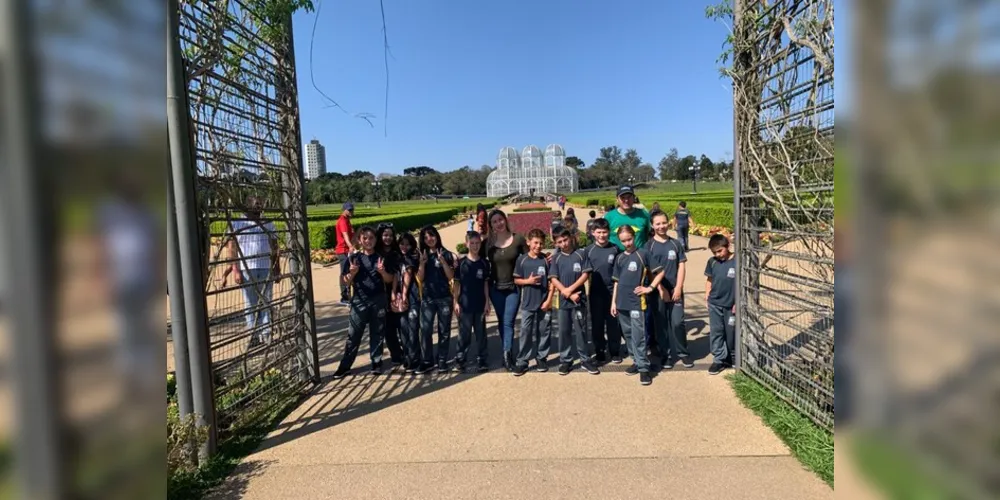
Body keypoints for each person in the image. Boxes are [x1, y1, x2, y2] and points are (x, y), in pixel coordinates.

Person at [332, 225, 395, 378]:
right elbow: (344, 282)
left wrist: (382, 272)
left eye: (371, 238)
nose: (368, 241)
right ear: (359, 240)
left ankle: (376, 362)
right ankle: (345, 365)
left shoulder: (381, 258)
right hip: (359, 301)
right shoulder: (354, 258)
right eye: (364, 238)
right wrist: (352, 274)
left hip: (378, 299)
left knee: (377, 333)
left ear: (375, 239)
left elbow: (390, 279)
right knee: (353, 335)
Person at [222, 196, 279, 348]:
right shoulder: (238, 223)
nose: (259, 210)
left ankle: (266, 334)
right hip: (247, 269)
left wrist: (276, 267)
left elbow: (275, 246)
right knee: (250, 304)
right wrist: (235, 269)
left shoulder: (268, 223)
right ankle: (253, 334)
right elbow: (232, 249)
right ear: (248, 207)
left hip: (266, 267)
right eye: (256, 207)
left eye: (260, 207)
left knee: (266, 301)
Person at [645, 210, 692, 370]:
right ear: (652, 225)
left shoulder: (675, 244)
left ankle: (683, 353)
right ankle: (665, 354)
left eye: (664, 223)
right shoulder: (649, 245)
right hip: (657, 292)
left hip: (675, 289)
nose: (661, 226)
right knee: (661, 324)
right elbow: (649, 271)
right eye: (657, 223)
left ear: (669, 223)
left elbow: (681, 265)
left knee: (678, 322)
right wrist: (660, 288)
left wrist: (678, 287)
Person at [549, 228, 599, 376]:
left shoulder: (581, 254)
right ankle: (566, 360)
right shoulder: (556, 258)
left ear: (570, 238)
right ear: (555, 243)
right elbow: (553, 278)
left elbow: (585, 274)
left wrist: (569, 289)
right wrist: (565, 292)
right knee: (564, 331)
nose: (563, 244)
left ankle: (585, 359)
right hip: (563, 302)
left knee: (581, 330)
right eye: (559, 242)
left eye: (565, 240)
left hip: (579, 300)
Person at [485, 210, 529, 371]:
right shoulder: (487, 244)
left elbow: (528, 258)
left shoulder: (518, 239)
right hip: (495, 288)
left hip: (513, 287)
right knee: (502, 321)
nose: (498, 223)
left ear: (505, 220)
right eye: (494, 221)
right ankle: (507, 351)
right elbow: (479, 262)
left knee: (508, 321)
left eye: (500, 220)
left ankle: (507, 356)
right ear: (491, 225)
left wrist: (544, 258)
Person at [611, 225, 655, 386]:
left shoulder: (643, 254)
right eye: (623, 241)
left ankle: (644, 368)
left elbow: (659, 272)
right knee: (628, 334)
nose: (627, 243)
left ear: (634, 237)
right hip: (621, 303)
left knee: (639, 335)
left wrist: (649, 288)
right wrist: (613, 302)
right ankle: (635, 361)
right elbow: (616, 281)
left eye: (629, 239)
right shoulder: (620, 258)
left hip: (636, 302)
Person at [511, 229, 553, 375]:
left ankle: (541, 357)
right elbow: (516, 279)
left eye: (541, 243)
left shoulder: (546, 260)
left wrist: (549, 300)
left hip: (544, 303)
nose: (538, 246)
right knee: (525, 332)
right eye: (535, 243)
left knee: (544, 331)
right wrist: (527, 281)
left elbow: (552, 282)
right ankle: (522, 361)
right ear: (528, 242)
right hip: (528, 304)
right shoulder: (522, 259)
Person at [417, 225, 457, 374]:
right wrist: (422, 263)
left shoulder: (445, 253)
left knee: (444, 330)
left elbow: (451, 277)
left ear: (436, 236)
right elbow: (420, 278)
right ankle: (427, 360)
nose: (429, 239)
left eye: (431, 235)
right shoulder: (422, 254)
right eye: (425, 237)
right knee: (426, 330)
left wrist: (443, 261)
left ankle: (442, 360)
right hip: (428, 298)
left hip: (444, 298)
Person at [582, 218, 621, 364]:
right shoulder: (588, 251)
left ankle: (615, 350)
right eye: (599, 232)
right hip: (595, 293)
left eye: (604, 232)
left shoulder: (615, 249)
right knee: (597, 323)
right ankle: (599, 350)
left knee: (613, 323)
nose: (602, 235)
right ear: (593, 233)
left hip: (612, 292)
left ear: (609, 232)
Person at [453, 231, 491, 372]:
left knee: (481, 334)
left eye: (477, 243)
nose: (475, 246)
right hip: (465, 305)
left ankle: (482, 359)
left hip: (480, 304)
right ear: (466, 244)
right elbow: (457, 285)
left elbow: (485, 284)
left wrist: (487, 302)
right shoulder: (461, 264)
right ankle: (460, 359)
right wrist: (455, 302)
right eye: (472, 243)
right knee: (464, 334)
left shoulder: (484, 263)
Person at [704, 234, 736, 375]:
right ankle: (719, 359)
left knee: (731, 332)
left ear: (727, 246)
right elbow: (709, 280)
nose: (718, 255)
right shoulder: (712, 262)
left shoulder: (737, 260)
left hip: (731, 305)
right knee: (717, 331)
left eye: (720, 251)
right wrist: (707, 296)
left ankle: (733, 358)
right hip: (715, 303)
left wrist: (737, 302)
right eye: (714, 252)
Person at [375, 223, 405, 367]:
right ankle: (396, 354)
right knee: (387, 328)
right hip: (379, 293)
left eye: (391, 236)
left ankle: (406, 351)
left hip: (394, 292)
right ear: (380, 236)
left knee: (400, 324)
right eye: (385, 235)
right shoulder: (376, 252)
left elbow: (396, 274)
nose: (388, 238)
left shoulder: (396, 253)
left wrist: (394, 292)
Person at [395, 232, 422, 374]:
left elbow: (408, 274)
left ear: (412, 245)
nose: (404, 246)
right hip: (403, 296)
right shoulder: (399, 257)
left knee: (412, 328)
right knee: (403, 327)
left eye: (407, 244)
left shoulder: (411, 257)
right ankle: (408, 355)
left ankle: (414, 357)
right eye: (402, 243)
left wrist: (404, 294)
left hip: (412, 296)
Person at [605, 185, 651, 252]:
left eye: (629, 197)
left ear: (634, 198)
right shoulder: (609, 217)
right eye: (622, 197)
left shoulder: (644, 215)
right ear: (617, 199)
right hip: (616, 258)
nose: (626, 200)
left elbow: (650, 236)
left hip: (639, 257)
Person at [335, 202, 355, 304]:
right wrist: (350, 246)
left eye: (352, 209)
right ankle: (344, 297)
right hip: (343, 250)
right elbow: (345, 235)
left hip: (346, 250)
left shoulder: (347, 220)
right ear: (344, 210)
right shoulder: (342, 221)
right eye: (350, 210)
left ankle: (348, 295)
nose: (352, 211)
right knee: (344, 273)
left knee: (349, 272)